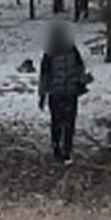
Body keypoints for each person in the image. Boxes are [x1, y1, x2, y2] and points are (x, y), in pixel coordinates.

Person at [38, 22, 88, 163]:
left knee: (57, 122)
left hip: (56, 94)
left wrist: (42, 95)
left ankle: (57, 149)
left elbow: (44, 77)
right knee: (69, 122)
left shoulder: (49, 54)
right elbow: (80, 69)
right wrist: (82, 82)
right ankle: (66, 149)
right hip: (70, 93)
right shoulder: (72, 51)